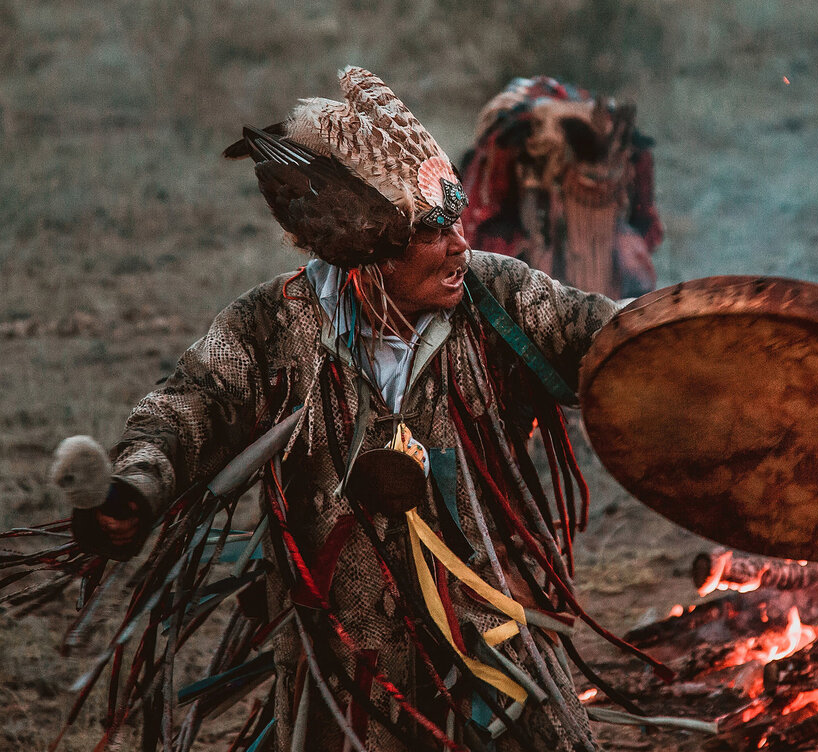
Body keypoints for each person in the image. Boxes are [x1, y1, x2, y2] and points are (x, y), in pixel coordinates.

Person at [65, 66, 669, 752]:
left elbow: (604, 332)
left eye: (457, 222)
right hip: (346, 663)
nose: (459, 245)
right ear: (368, 249)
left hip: (497, 651)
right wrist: (134, 489)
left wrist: (702, 332)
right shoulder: (271, 328)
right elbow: (186, 411)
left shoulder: (493, 297)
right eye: (433, 230)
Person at [460, 76, 664, 300]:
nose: (594, 183)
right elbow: (475, 236)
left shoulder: (629, 254)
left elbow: (645, 223)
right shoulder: (507, 151)